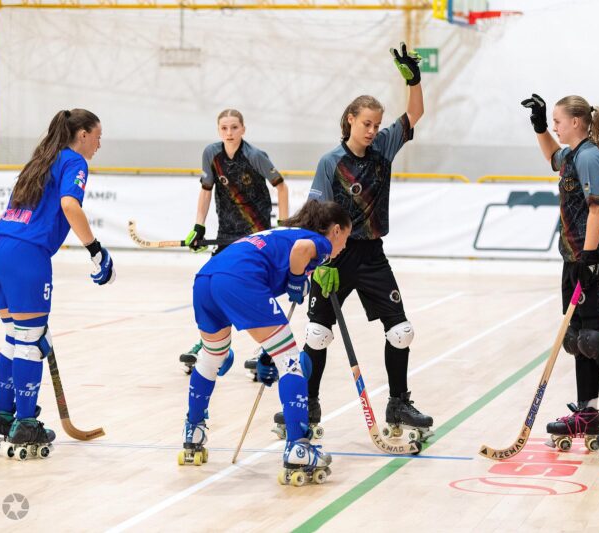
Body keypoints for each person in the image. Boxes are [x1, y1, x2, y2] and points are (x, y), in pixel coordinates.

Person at [271, 43, 433, 442]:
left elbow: (414, 113)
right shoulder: (331, 162)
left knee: (401, 331)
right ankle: (307, 404)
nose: (373, 130)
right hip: (335, 257)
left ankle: (398, 402)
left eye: (376, 124)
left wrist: (413, 79)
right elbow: (315, 216)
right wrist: (317, 263)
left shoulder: (384, 149)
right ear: (350, 120)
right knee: (317, 334)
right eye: (366, 124)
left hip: (373, 255)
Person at [180, 199, 350, 484]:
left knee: (211, 356)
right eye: (346, 237)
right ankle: (298, 447)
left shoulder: (283, 232)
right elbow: (301, 251)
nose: (344, 246)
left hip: (206, 279)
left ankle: (193, 431)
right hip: (239, 280)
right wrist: (297, 279)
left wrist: (297, 278)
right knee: (292, 361)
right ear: (335, 230)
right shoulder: (318, 242)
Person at [0, 109, 115, 458]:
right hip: (25, 254)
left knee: (15, 336)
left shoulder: (41, 158)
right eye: (98, 136)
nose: (99, 144)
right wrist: (95, 250)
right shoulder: (74, 161)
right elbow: (69, 205)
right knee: (30, 340)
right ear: (83, 134)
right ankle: (26, 424)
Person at [520, 94, 599, 455]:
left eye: (557, 121)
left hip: (591, 259)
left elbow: (597, 210)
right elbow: (552, 157)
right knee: (579, 339)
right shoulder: (572, 155)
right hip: (573, 259)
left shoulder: (589, 157)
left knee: (597, 338)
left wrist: (589, 258)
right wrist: (539, 126)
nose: (555, 126)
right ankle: (587, 413)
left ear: (576, 122)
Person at [179, 109, 289, 373]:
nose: (229, 133)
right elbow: (206, 191)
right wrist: (198, 225)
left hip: (256, 236)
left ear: (243, 129)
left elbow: (281, 186)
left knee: (259, 291)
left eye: (234, 127)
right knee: (212, 287)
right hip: (226, 234)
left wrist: (283, 227)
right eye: (224, 128)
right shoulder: (211, 154)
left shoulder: (255, 155)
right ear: (219, 130)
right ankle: (214, 346)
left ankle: (267, 348)